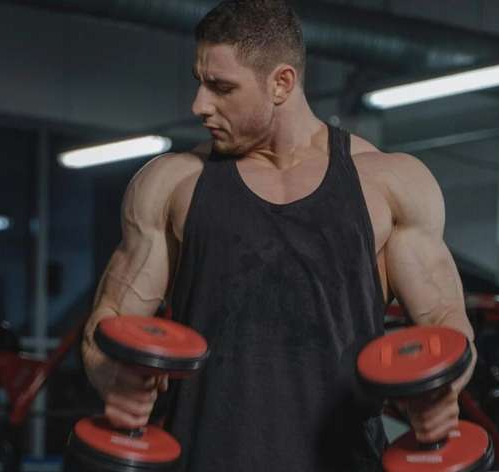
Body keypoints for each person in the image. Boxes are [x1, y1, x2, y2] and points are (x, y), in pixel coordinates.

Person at [81, 0, 476, 470]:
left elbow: (446, 323)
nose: (199, 105)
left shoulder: (386, 183)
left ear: (281, 83)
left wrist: (441, 391)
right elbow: (109, 319)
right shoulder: (173, 184)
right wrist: (112, 377)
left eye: (221, 87)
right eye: (200, 83)